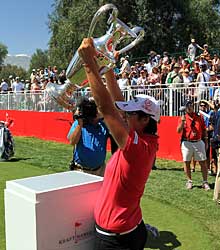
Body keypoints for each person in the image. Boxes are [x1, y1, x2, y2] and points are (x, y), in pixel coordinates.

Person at [78, 38, 160, 250]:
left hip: (116, 239)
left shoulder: (137, 147)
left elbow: (107, 109)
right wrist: (108, 70)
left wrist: (89, 63)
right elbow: (117, 106)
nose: (125, 115)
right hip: (128, 230)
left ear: (144, 120)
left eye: (131, 114)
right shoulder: (144, 138)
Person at [67, 97, 109, 177]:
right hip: (81, 170)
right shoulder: (79, 124)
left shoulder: (103, 125)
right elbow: (72, 141)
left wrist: (102, 116)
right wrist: (80, 124)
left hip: (100, 171)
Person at [177, 100, 210, 190]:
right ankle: (189, 181)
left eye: (191, 105)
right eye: (188, 106)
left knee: (203, 162)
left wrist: (206, 141)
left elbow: (204, 130)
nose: (190, 107)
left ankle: (205, 182)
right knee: (186, 162)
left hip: (198, 141)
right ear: (185, 108)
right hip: (186, 142)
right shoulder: (182, 117)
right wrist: (182, 122)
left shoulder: (199, 116)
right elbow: (178, 131)